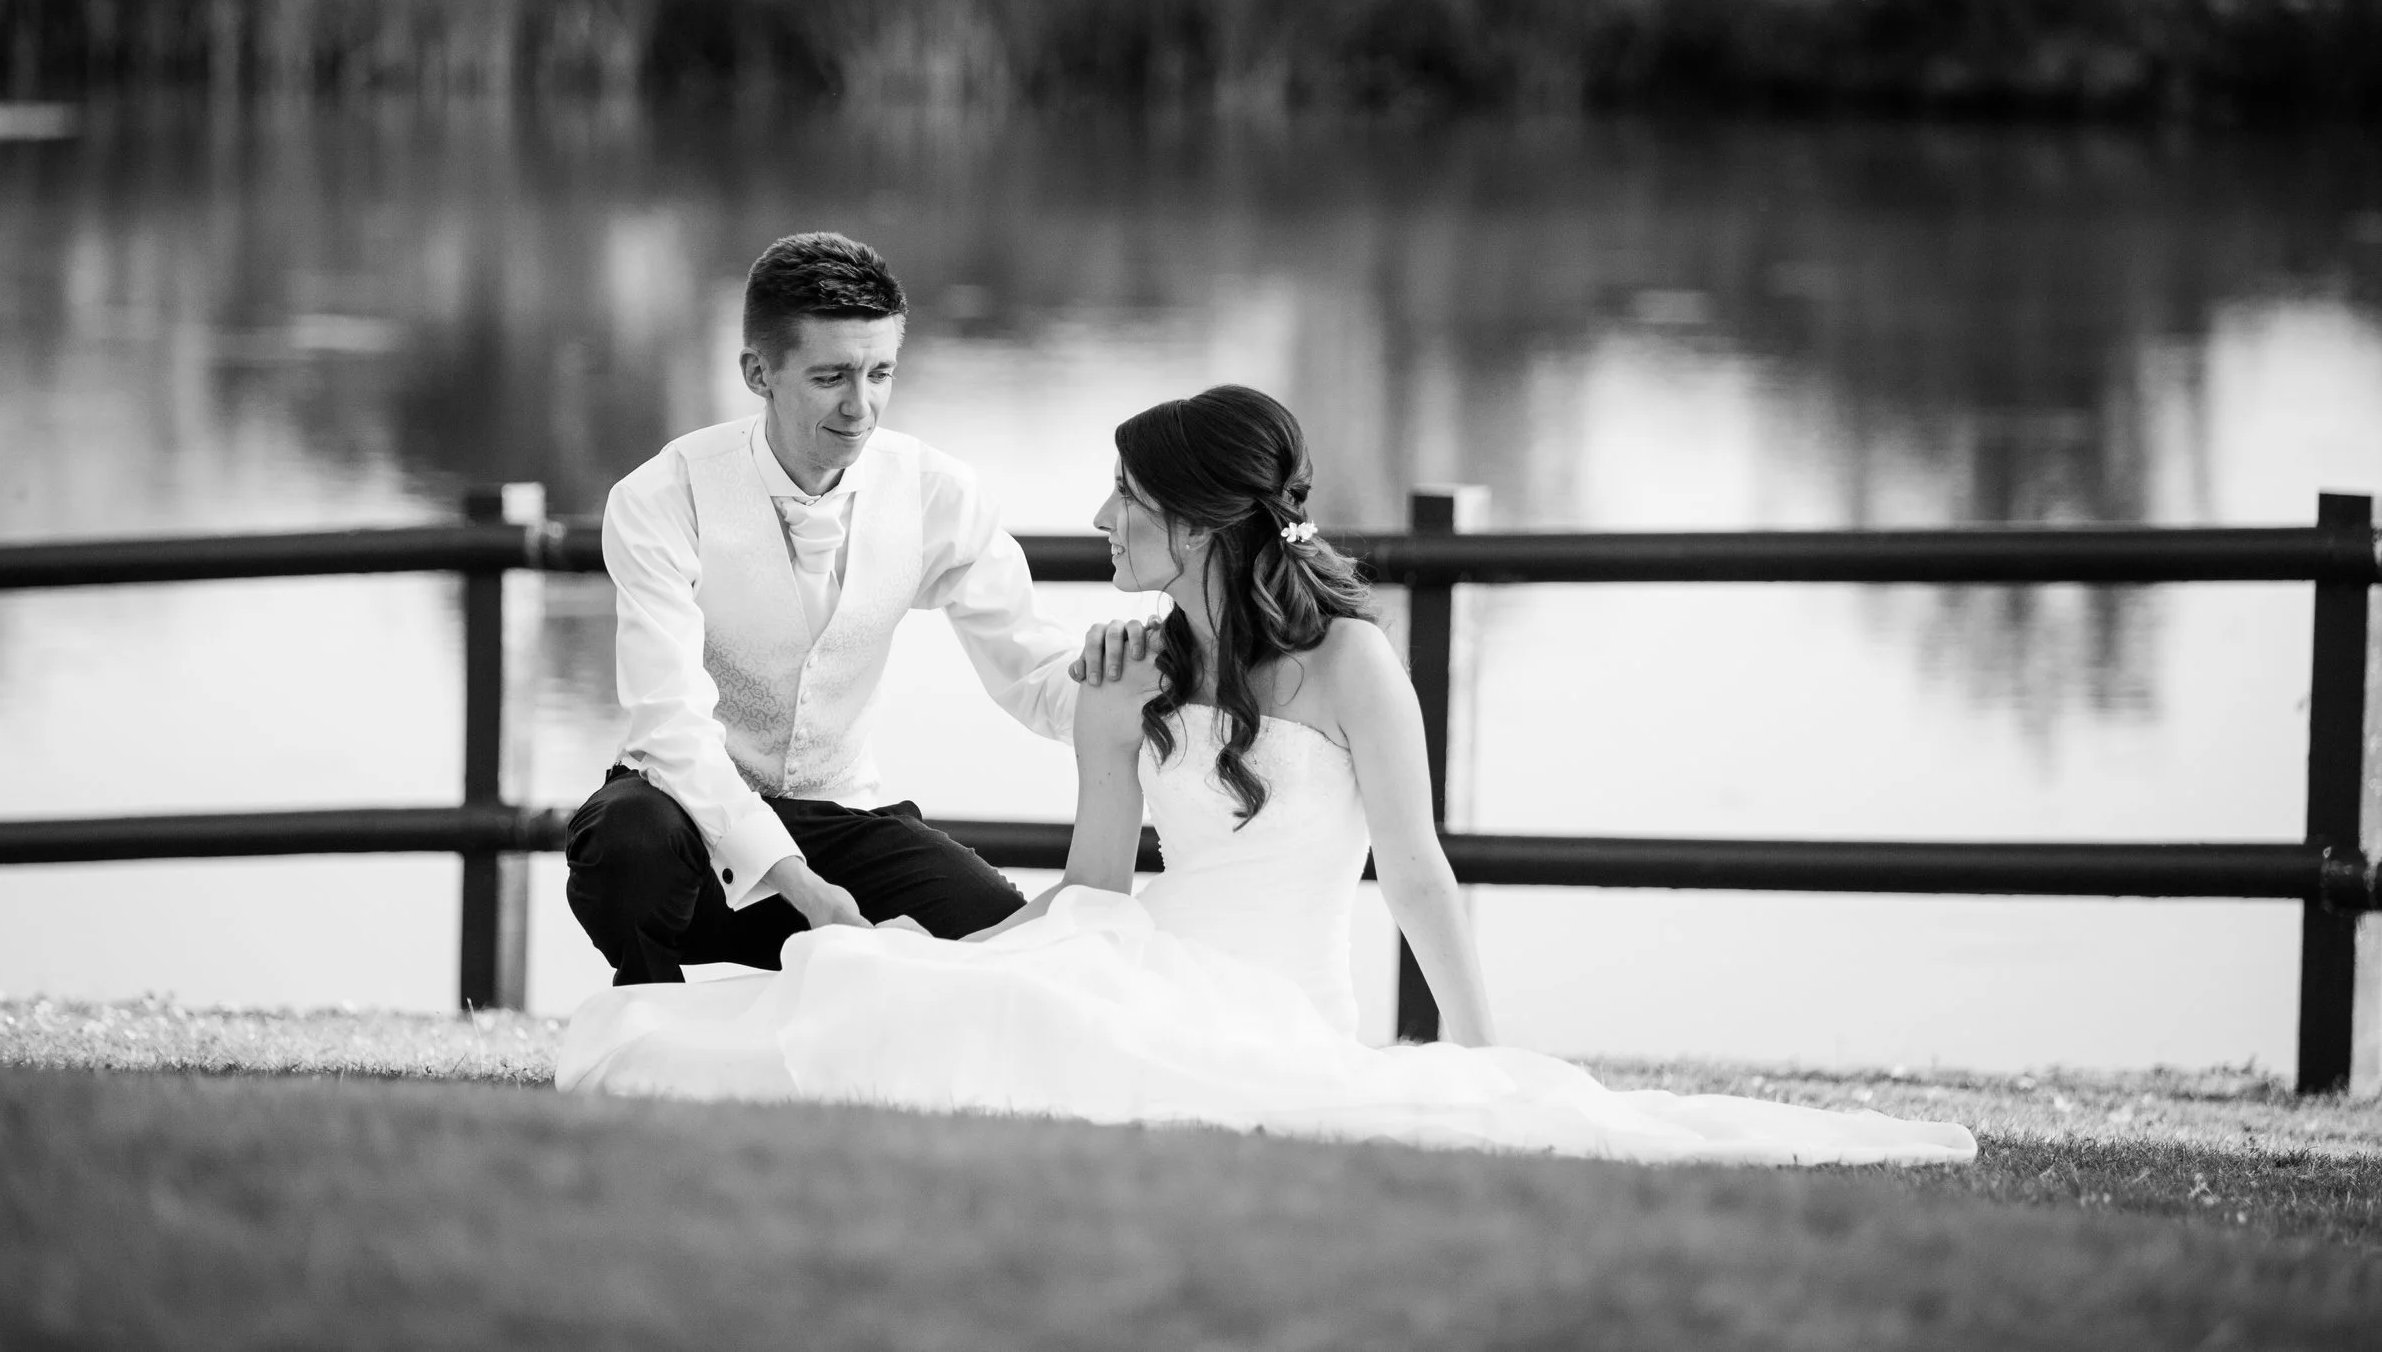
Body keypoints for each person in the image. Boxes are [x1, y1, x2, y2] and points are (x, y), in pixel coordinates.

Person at [558, 385, 1976, 1166]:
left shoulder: (1355, 664)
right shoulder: (1143, 662)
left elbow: (1415, 870)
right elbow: (1102, 882)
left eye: (1126, 496)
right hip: (1146, 947)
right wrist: (1084, 788)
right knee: (942, 996)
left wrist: (1481, 1050)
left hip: (1277, 993)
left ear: (1196, 516)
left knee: (1009, 1022)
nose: (1103, 517)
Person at [562, 232, 1116, 983]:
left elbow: (1032, 670)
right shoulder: (661, 498)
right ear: (758, 372)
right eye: (832, 377)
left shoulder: (935, 492)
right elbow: (671, 726)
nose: (862, 407)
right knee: (627, 844)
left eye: (880, 372)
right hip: (685, 827)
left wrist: (1132, 690)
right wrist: (802, 886)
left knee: (1001, 942)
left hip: (845, 821)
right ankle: (649, 1016)